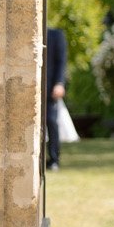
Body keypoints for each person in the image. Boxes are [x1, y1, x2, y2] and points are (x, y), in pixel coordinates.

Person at [45, 23, 68, 170]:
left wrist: (59, 83)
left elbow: (61, 62)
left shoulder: (56, 35)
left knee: (51, 121)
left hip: (50, 88)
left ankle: (54, 159)